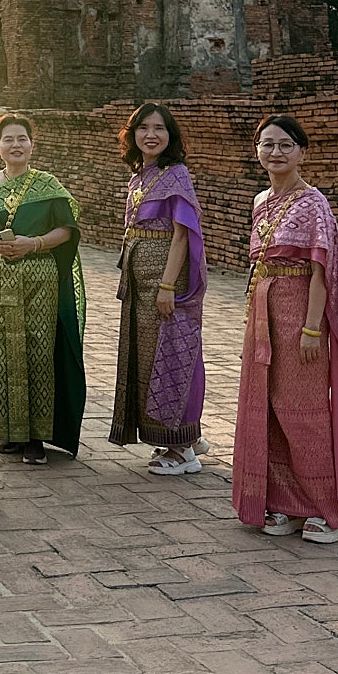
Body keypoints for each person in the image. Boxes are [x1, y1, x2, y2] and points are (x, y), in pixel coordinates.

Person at [233, 114, 338, 543]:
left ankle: (333, 513)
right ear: (257, 151)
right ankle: (288, 505)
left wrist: (312, 328)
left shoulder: (313, 203)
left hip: (299, 314)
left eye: (286, 145)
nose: (276, 153)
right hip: (263, 314)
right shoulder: (259, 202)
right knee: (268, 411)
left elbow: (320, 271)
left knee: (303, 413)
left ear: (303, 152)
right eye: (267, 144)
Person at [0, 113, 86, 466]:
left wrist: (32, 244)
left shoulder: (48, 185)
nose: (16, 145)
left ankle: (37, 436)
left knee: (38, 350)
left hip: (40, 278)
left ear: (32, 144)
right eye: (8, 139)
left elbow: (66, 231)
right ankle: (10, 432)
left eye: (22, 138)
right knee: (3, 353)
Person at [109, 102, 210, 474]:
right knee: (146, 355)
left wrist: (168, 285)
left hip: (164, 275)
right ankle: (179, 436)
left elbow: (183, 235)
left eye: (159, 128)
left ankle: (181, 448)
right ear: (132, 134)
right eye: (143, 128)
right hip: (139, 276)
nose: (151, 135)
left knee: (170, 353)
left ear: (171, 136)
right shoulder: (140, 175)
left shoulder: (176, 174)